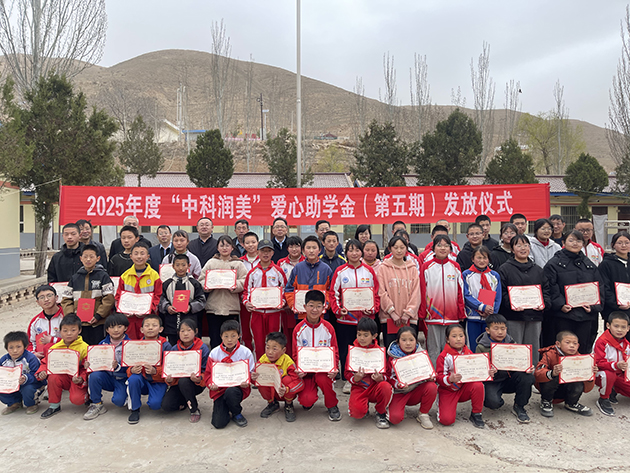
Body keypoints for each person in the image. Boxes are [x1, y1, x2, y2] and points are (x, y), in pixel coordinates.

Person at [330, 239, 380, 394]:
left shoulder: (369, 271)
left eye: (357, 250)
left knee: (366, 349)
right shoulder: (340, 271)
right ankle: (348, 380)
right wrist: (338, 310)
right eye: (350, 250)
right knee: (346, 350)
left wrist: (373, 309)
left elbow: (376, 293)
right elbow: (333, 293)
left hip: (365, 320)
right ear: (346, 253)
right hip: (345, 320)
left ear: (361, 252)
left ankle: (368, 377)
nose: (354, 253)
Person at [543, 230, 604, 352]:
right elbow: (550, 286)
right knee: (562, 350)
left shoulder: (589, 264)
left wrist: (593, 306)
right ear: (563, 242)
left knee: (582, 349)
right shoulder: (554, 264)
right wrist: (560, 305)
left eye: (578, 241)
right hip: (563, 316)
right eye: (571, 240)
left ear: (583, 244)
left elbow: (599, 286)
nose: (575, 243)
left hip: (585, 315)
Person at [498, 235, 551, 364]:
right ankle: (515, 374)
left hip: (534, 316)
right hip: (513, 316)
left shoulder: (538, 270)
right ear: (512, 249)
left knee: (533, 348)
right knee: (515, 348)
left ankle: (532, 374)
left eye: (526, 245)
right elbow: (502, 292)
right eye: (519, 245)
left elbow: (546, 290)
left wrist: (544, 304)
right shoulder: (504, 269)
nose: (523, 248)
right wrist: (511, 304)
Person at [475, 314, 535, 423]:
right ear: (487, 330)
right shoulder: (481, 347)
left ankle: (519, 406)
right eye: (496, 328)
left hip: (510, 377)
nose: (500, 332)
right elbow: (478, 369)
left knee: (527, 377)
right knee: (493, 403)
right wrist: (487, 371)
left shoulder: (512, 343)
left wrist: (526, 367)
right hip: (494, 381)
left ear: (506, 329)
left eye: (503, 329)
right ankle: (495, 398)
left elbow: (520, 361)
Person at [293, 290, 342, 421]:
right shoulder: (298, 329)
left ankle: (332, 405)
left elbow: (335, 351)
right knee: (306, 400)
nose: (314, 310)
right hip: (306, 372)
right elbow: (295, 353)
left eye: (318, 306)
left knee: (323, 379)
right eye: (311, 305)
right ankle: (309, 397)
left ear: (324, 307)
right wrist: (299, 368)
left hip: (323, 371)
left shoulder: (328, 328)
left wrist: (334, 368)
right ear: (304, 307)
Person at [420, 235, 465, 365]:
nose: (443, 248)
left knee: (452, 348)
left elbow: (460, 291)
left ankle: (451, 374)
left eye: (446, 245)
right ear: (433, 248)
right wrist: (422, 313)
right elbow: (422, 290)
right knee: (434, 349)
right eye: (439, 245)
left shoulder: (455, 266)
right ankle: (435, 374)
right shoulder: (426, 267)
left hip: (452, 316)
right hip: (432, 315)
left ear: (450, 249)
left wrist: (461, 312)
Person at [436, 324, 490, 428]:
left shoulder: (468, 353)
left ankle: (476, 413)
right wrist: (449, 379)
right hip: (449, 390)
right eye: (454, 336)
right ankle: (441, 403)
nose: (458, 339)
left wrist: (488, 372)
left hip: (465, 388)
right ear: (447, 339)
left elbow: (477, 370)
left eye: (461, 336)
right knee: (446, 420)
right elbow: (439, 377)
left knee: (478, 385)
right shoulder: (443, 356)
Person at [199, 235, 247, 349]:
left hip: (231, 307)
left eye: (227, 245)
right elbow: (201, 280)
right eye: (222, 245)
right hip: (213, 307)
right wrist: (208, 286)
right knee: (215, 336)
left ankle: (233, 357)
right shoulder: (211, 263)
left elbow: (245, 280)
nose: (224, 248)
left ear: (232, 248)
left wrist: (234, 285)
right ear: (217, 248)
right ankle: (215, 358)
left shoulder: (238, 264)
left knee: (232, 337)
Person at [205, 319, 255, 428]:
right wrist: (211, 384)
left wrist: (249, 379)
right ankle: (226, 408)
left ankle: (236, 413)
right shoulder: (214, 353)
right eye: (226, 336)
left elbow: (251, 372)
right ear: (221, 336)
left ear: (239, 335)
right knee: (218, 423)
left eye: (233, 336)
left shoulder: (245, 352)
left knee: (231, 392)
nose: (229, 340)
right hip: (219, 390)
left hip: (237, 389)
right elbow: (208, 374)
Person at [36, 314, 89, 418]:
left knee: (77, 400)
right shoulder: (55, 348)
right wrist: (42, 372)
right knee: (53, 377)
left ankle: (88, 396)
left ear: (79, 330)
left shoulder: (84, 347)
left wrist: (81, 378)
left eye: (73, 330)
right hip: (62, 378)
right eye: (65, 330)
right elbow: (46, 363)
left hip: (77, 379)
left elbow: (86, 368)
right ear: (60, 332)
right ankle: (54, 406)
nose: (69, 333)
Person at [62, 244, 116, 345]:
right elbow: (66, 299)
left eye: (91, 256)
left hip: (98, 323)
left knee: (97, 347)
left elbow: (109, 298)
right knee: (81, 347)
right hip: (79, 324)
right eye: (85, 256)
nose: (88, 259)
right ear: (81, 258)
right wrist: (72, 316)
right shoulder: (75, 278)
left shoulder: (103, 276)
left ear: (98, 258)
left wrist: (99, 315)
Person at [242, 239, 287, 359]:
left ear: (273, 253)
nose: (265, 254)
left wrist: (282, 302)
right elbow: (246, 292)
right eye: (263, 251)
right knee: (258, 343)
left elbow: (285, 290)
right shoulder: (252, 273)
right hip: (257, 313)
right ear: (258, 252)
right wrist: (246, 303)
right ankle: (260, 366)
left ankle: (274, 366)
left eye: (268, 251)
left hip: (274, 313)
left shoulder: (278, 271)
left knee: (274, 343)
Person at [344, 317, 392, 429]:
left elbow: (387, 374)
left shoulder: (379, 351)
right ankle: (363, 406)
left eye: (366, 335)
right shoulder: (353, 351)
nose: (362, 338)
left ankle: (380, 412)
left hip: (375, 387)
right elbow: (347, 373)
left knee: (386, 386)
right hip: (359, 387)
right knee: (357, 413)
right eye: (359, 334)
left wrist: (381, 378)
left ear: (374, 336)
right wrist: (355, 378)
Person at [386, 325, 437, 429]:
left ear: (416, 341)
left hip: (416, 390)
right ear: (398, 342)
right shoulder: (393, 356)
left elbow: (428, 371)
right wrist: (398, 384)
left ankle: (423, 413)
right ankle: (394, 408)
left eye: (411, 340)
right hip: (399, 392)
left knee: (432, 386)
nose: (408, 343)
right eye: (404, 340)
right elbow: (388, 376)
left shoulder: (421, 355)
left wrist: (430, 377)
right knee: (394, 419)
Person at [535, 331, 595, 417]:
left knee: (578, 376)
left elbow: (587, 389)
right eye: (567, 342)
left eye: (575, 343)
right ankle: (546, 401)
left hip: (567, 389)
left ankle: (572, 403)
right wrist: (552, 373)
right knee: (553, 375)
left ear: (578, 346)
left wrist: (590, 375)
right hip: (551, 388)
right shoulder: (549, 354)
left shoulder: (580, 359)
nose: (572, 346)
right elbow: (537, 374)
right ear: (558, 344)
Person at [126, 314, 172, 424]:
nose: (150, 328)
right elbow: (128, 365)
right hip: (141, 378)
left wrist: (155, 371)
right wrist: (131, 370)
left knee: (155, 405)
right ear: (141, 329)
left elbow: (169, 368)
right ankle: (135, 409)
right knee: (133, 379)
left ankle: (161, 394)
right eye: (147, 325)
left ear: (161, 329)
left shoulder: (166, 346)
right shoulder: (135, 345)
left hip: (158, 381)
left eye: (154, 325)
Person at [83, 313, 130, 420]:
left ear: (126, 328)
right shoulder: (102, 344)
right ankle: (97, 404)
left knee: (119, 402)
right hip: (108, 378)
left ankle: (127, 395)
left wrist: (118, 367)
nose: (116, 330)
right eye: (112, 327)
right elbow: (96, 363)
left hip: (123, 379)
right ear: (107, 330)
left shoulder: (130, 345)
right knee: (94, 376)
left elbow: (131, 367)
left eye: (119, 326)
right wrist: (89, 365)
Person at [161, 318, 209, 423]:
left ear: (196, 331)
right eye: (182, 331)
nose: (185, 333)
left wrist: (199, 378)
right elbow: (169, 369)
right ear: (178, 333)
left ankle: (194, 409)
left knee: (184, 381)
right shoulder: (174, 349)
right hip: (178, 383)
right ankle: (186, 400)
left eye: (189, 330)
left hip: (195, 384)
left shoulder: (202, 348)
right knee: (166, 406)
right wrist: (169, 380)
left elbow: (207, 371)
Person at [377, 236, 420, 348]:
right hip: (389, 318)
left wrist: (408, 313)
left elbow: (416, 293)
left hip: (409, 319)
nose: (399, 250)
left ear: (406, 249)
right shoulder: (383, 268)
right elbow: (381, 292)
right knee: (391, 349)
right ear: (390, 249)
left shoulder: (412, 269)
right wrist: (392, 312)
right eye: (395, 247)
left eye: (402, 247)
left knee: (408, 350)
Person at [251, 332, 303, 423]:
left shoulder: (288, 362)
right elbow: (254, 380)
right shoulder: (263, 359)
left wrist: (287, 389)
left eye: (274, 349)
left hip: (285, 392)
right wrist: (253, 378)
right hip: (272, 392)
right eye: (267, 348)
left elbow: (299, 382)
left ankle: (289, 405)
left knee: (287, 379)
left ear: (283, 350)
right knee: (261, 379)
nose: (270, 352)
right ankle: (272, 404)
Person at [115, 242, 162, 340]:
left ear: (148, 256)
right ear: (131, 256)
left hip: (148, 318)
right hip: (129, 319)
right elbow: (118, 297)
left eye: (142, 253)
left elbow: (158, 296)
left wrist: (149, 309)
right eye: (136, 254)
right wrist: (123, 310)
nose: (139, 257)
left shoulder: (154, 275)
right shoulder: (125, 276)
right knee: (131, 343)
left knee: (148, 342)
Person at [159, 253, 207, 346]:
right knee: (173, 345)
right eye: (177, 265)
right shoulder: (167, 283)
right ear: (173, 266)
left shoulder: (194, 283)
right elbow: (161, 299)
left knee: (190, 344)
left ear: (189, 266)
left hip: (189, 319)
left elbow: (202, 300)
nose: (180, 268)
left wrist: (190, 307)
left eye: (183, 265)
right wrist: (167, 307)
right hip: (171, 321)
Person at [462, 246, 501, 352]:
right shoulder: (467, 275)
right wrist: (482, 307)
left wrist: (492, 311)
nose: (482, 261)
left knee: (489, 347)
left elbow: (498, 297)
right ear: (472, 259)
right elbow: (466, 295)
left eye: (485, 258)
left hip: (489, 318)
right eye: (479, 258)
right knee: (473, 346)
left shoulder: (494, 275)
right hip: (472, 317)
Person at [285, 236, 332, 320]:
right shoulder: (298, 268)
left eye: (314, 248)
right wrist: (293, 304)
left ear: (320, 250)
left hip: (321, 315)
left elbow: (331, 290)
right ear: (303, 250)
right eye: (308, 248)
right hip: (301, 314)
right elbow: (289, 289)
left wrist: (326, 304)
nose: (311, 251)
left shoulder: (326, 269)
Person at [593, 311, 630, 416]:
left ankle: (613, 390)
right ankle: (603, 399)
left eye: (623, 327)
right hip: (602, 374)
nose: (619, 330)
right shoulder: (602, 342)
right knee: (609, 374)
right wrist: (615, 365)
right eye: (616, 326)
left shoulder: (626, 344)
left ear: (628, 328)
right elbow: (598, 363)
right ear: (608, 325)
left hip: (619, 374)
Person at [0, 331, 45, 415]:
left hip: (32, 384)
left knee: (28, 389)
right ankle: (14, 403)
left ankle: (31, 404)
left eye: (18, 347)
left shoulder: (31, 358)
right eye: (11, 347)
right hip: (12, 385)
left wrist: (25, 378)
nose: (15, 350)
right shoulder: (4, 360)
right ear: (6, 348)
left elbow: (37, 375)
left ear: (25, 346)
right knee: (1, 387)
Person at [599, 231, 630, 336]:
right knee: (614, 340)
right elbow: (604, 287)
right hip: (614, 310)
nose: (623, 245)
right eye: (619, 243)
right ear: (613, 245)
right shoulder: (606, 264)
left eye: (627, 242)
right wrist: (616, 304)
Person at [277, 235, 304, 356]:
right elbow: (280, 285)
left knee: (301, 333)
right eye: (291, 246)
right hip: (287, 306)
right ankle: (288, 359)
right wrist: (286, 303)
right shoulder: (281, 263)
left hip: (303, 306)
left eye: (297, 246)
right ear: (287, 248)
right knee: (287, 334)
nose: (294, 249)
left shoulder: (306, 261)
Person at [27, 285, 64, 358]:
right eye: (42, 297)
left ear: (56, 297)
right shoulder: (35, 321)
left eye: (49, 295)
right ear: (38, 302)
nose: (46, 299)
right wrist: (33, 354)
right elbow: (29, 343)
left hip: (64, 355)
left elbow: (73, 340)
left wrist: (53, 340)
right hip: (42, 358)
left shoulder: (65, 317)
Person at [239, 231, 260, 351]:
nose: (251, 245)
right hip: (245, 300)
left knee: (260, 331)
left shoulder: (264, 260)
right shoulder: (239, 261)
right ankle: (247, 352)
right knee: (245, 329)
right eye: (247, 243)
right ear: (243, 245)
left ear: (258, 243)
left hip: (262, 301)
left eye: (253, 242)